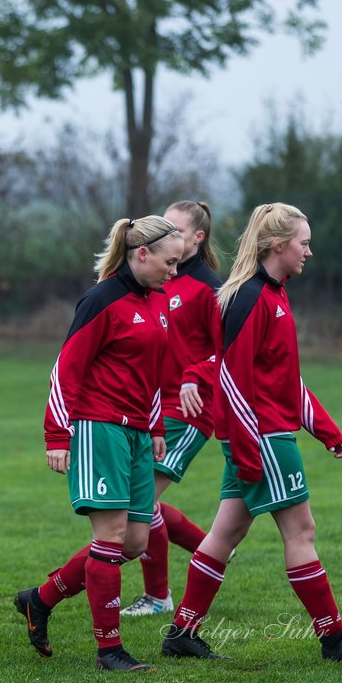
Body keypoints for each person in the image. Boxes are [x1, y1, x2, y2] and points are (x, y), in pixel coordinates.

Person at [159, 202, 342, 662]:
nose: (309, 251)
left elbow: (283, 379)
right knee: (301, 530)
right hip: (262, 438)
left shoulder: (274, 293)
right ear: (278, 245)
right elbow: (234, 381)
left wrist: (325, 429)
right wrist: (247, 451)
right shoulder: (249, 296)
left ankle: (182, 633)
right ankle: (334, 637)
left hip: (258, 435)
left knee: (226, 531)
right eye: (303, 243)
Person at [13, 215, 181, 672]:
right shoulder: (102, 299)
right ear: (141, 254)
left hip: (138, 433)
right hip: (97, 427)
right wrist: (57, 434)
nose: (174, 271)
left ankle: (39, 600)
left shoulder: (158, 301)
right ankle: (110, 650)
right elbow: (66, 368)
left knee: (134, 542)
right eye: (169, 262)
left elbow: (152, 373)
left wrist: (158, 427)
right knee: (109, 538)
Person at [122, 200, 224, 618]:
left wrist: (192, 376)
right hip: (149, 408)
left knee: (136, 506)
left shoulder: (212, 290)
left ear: (197, 238)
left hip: (189, 411)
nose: (165, 232)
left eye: (175, 228)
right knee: (141, 501)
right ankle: (210, 549)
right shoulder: (158, 281)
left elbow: (228, 354)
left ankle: (158, 595)